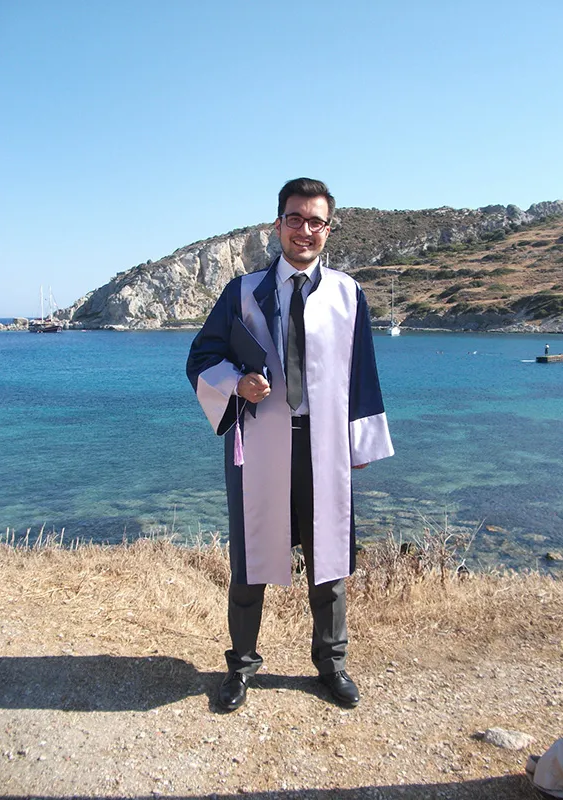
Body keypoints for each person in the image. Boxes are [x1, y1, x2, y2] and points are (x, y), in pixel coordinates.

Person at [186, 177, 394, 712]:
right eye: (295, 219)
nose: (305, 230)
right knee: (250, 557)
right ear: (277, 225)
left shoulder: (348, 294)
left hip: (324, 446)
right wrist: (238, 382)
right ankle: (241, 666)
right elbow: (202, 357)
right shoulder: (242, 292)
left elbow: (363, 372)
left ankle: (332, 664)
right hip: (259, 443)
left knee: (330, 557)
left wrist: (360, 443)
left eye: (316, 221)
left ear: (329, 229)